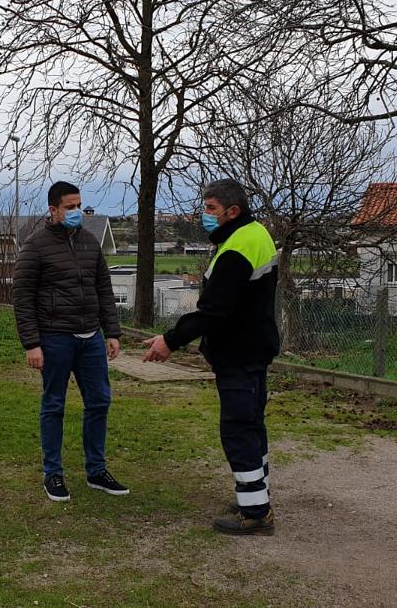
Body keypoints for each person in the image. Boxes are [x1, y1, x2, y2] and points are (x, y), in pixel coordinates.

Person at [142, 179, 280, 535]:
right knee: (252, 424)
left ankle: (255, 512)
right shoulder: (255, 233)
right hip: (254, 346)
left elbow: (214, 310)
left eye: (210, 209)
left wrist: (170, 340)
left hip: (239, 350)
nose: (204, 216)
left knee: (238, 428)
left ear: (232, 211)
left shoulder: (236, 247)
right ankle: (255, 496)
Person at [13, 181, 128, 502]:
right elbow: (22, 297)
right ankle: (53, 474)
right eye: (70, 207)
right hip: (54, 339)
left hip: (91, 337)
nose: (77, 212)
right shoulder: (35, 246)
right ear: (53, 210)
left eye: (79, 205)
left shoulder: (91, 243)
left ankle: (96, 470)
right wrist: (31, 344)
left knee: (100, 402)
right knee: (53, 405)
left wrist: (113, 332)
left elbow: (104, 289)